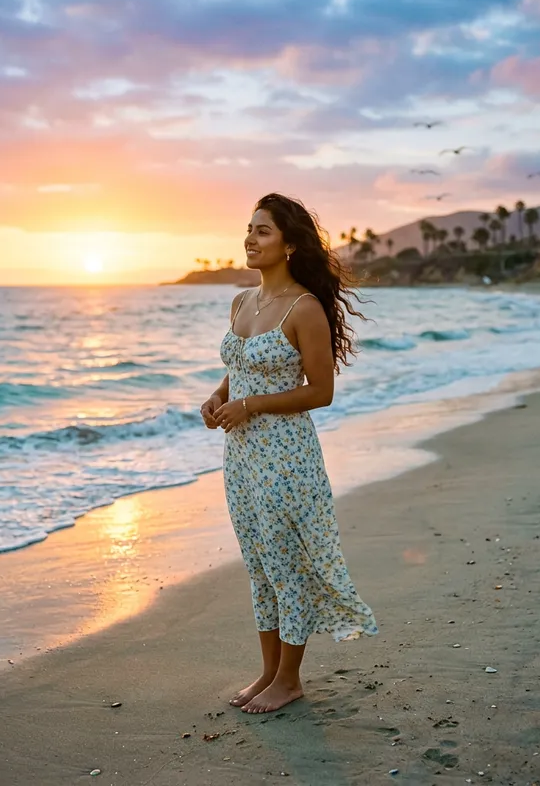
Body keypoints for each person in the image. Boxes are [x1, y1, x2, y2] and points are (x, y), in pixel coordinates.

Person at [199, 193, 378, 715]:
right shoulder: (241, 302)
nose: (250, 239)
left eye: (263, 231)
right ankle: (268, 672)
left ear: (290, 245)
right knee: (259, 563)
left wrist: (251, 405)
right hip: (241, 458)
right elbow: (240, 367)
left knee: (287, 567)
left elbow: (320, 391)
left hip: (285, 458)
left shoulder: (305, 309)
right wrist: (220, 396)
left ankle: (291, 679)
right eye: (249, 229)